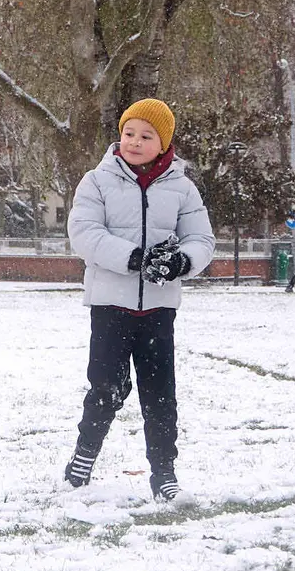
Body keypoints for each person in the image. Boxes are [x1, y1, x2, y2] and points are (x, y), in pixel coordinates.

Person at [64, 98, 215, 502]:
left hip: (158, 311)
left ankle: (164, 471)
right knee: (106, 388)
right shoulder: (96, 181)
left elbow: (202, 239)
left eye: (146, 136)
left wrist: (181, 262)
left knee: (160, 393)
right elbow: (84, 233)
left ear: (163, 142)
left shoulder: (183, 188)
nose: (134, 141)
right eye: (129, 132)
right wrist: (135, 258)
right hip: (110, 306)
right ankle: (84, 455)